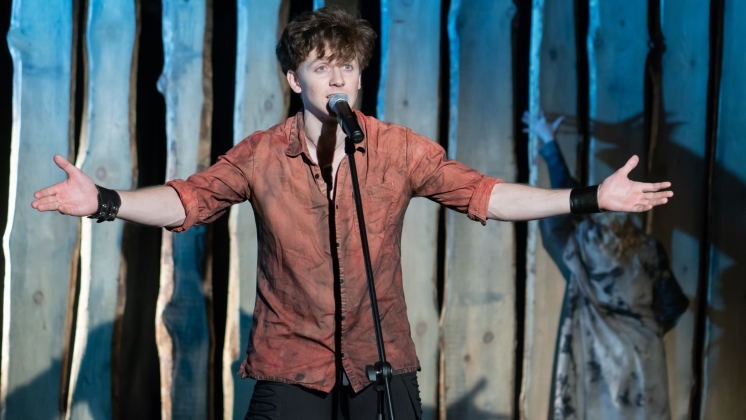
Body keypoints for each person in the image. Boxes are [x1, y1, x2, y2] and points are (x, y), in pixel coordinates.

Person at [31, 7, 673, 420]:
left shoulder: (395, 149)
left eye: (348, 67)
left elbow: (486, 194)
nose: (337, 79)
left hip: (380, 368)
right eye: (322, 67)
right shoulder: (262, 155)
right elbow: (188, 199)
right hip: (291, 368)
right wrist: (106, 200)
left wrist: (589, 197)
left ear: (361, 78)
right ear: (295, 81)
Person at [522, 111, 688, 420]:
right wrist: (644, 328)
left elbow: (560, 214)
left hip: (597, 361)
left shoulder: (582, 248)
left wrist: (549, 143)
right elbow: (674, 304)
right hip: (643, 355)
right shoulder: (648, 249)